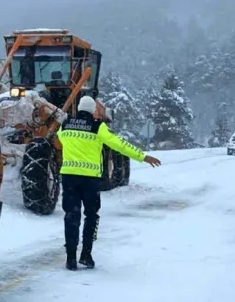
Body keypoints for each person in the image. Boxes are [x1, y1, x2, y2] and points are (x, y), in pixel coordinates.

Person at [57, 95, 161, 270]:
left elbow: (60, 140)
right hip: (90, 180)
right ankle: (86, 255)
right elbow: (119, 144)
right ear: (93, 111)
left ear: (78, 109)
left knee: (71, 216)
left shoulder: (65, 126)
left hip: (69, 177)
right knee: (91, 216)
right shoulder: (98, 127)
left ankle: (70, 259)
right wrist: (142, 156)